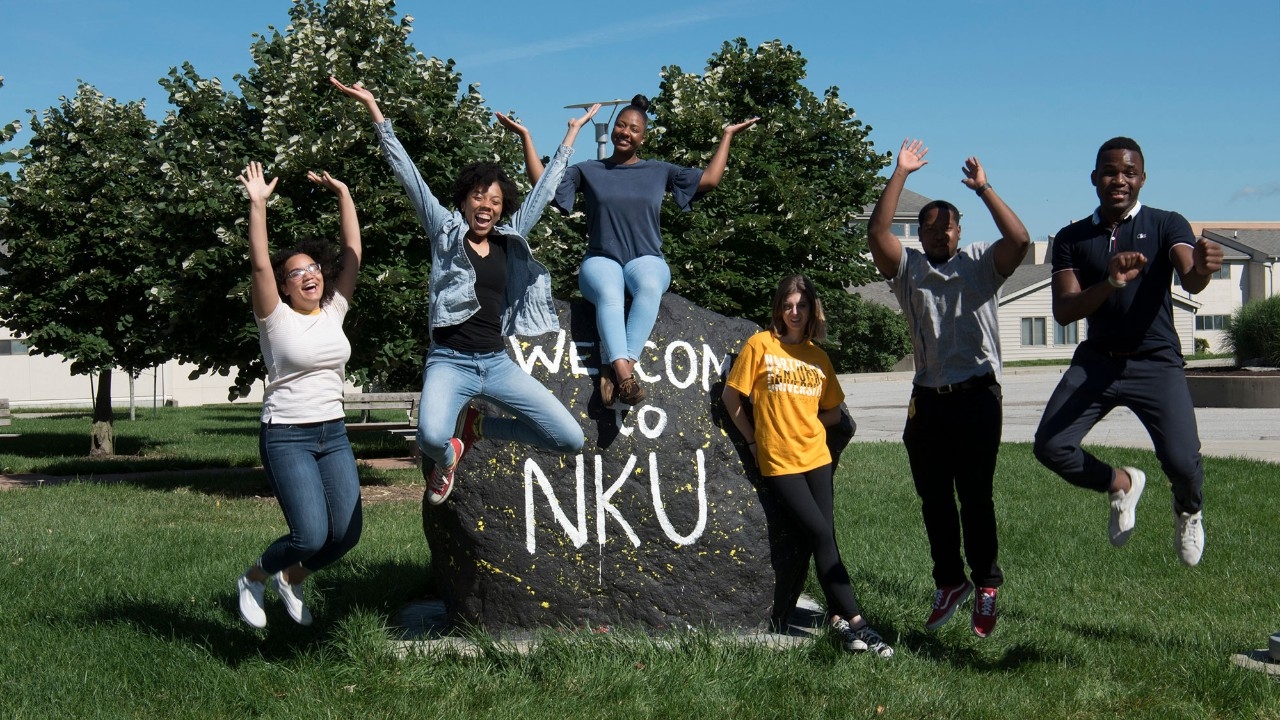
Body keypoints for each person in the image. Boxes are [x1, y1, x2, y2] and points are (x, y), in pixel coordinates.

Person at [330, 77, 593, 506]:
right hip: (450, 361)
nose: (485, 205)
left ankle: (478, 429)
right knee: (432, 436)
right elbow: (409, 176)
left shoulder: (510, 237)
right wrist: (375, 111)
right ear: (465, 201)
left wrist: (571, 135)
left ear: (501, 206)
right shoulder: (445, 232)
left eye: (493, 200)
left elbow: (542, 195)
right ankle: (450, 455)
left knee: (569, 438)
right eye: (477, 197)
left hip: (496, 362)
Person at [867, 139, 1030, 638]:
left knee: (975, 497)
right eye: (931, 229)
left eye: (948, 227)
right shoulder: (908, 269)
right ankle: (950, 581)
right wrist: (900, 175)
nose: (940, 234)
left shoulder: (982, 262)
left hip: (978, 398)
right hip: (927, 401)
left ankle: (986, 584)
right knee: (933, 498)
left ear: (961, 230)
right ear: (921, 233)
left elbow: (1020, 241)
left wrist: (984, 190)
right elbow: (877, 234)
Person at [1033, 137, 1222, 567]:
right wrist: (1111, 283)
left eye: (1129, 172)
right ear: (1095, 178)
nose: (1119, 179)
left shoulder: (1166, 223)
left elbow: (1190, 276)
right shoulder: (1072, 237)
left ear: (1142, 178)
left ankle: (1188, 510)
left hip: (1155, 361)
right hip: (1097, 362)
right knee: (1050, 445)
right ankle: (1120, 483)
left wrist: (1205, 268)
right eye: (1110, 171)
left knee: (1181, 461)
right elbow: (1064, 311)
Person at [501, 95, 758, 406]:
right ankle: (626, 376)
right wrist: (527, 137)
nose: (625, 132)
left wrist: (727, 135)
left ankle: (617, 369)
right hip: (600, 260)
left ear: (643, 136)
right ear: (613, 130)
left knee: (650, 286)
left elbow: (710, 179)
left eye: (633, 129)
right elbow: (544, 183)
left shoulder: (659, 171)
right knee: (609, 291)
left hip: (646, 259)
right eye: (621, 125)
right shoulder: (589, 170)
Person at [721, 275, 894, 658]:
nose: (794, 313)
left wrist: (809, 422)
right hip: (778, 460)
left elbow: (831, 411)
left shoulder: (818, 357)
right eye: (788, 305)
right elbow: (731, 396)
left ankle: (839, 620)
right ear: (778, 309)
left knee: (824, 536)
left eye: (801, 306)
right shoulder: (761, 345)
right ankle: (857, 620)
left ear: (811, 309)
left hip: (816, 457)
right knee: (820, 535)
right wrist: (752, 439)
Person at [235, 161, 364, 629]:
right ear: (285, 287)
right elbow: (259, 262)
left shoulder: (333, 311)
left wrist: (344, 192)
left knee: (346, 535)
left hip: (333, 433)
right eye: (296, 273)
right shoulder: (275, 318)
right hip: (287, 434)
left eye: (313, 268)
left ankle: (291, 578)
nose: (308, 275)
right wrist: (258, 205)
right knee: (310, 533)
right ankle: (253, 578)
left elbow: (352, 253)